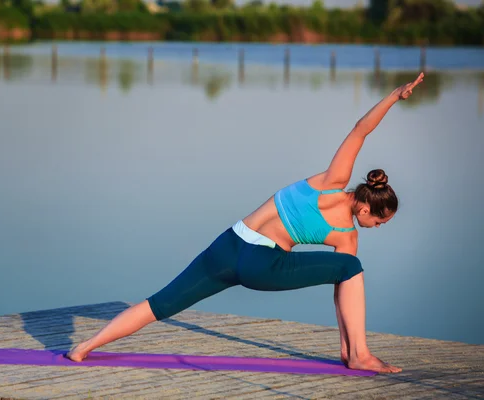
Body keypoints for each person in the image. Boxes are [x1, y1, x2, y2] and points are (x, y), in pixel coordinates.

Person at [66, 72, 425, 374]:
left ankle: (85, 346)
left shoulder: (331, 181)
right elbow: (344, 285)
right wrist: (349, 348)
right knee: (351, 267)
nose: (379, 228)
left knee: (160, 303)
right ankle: (359, 356)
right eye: (381, 222)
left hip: (227, 246)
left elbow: (359, 131)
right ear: (366, 210)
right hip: (263, 264)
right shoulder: (345, 231)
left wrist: (393, 96)